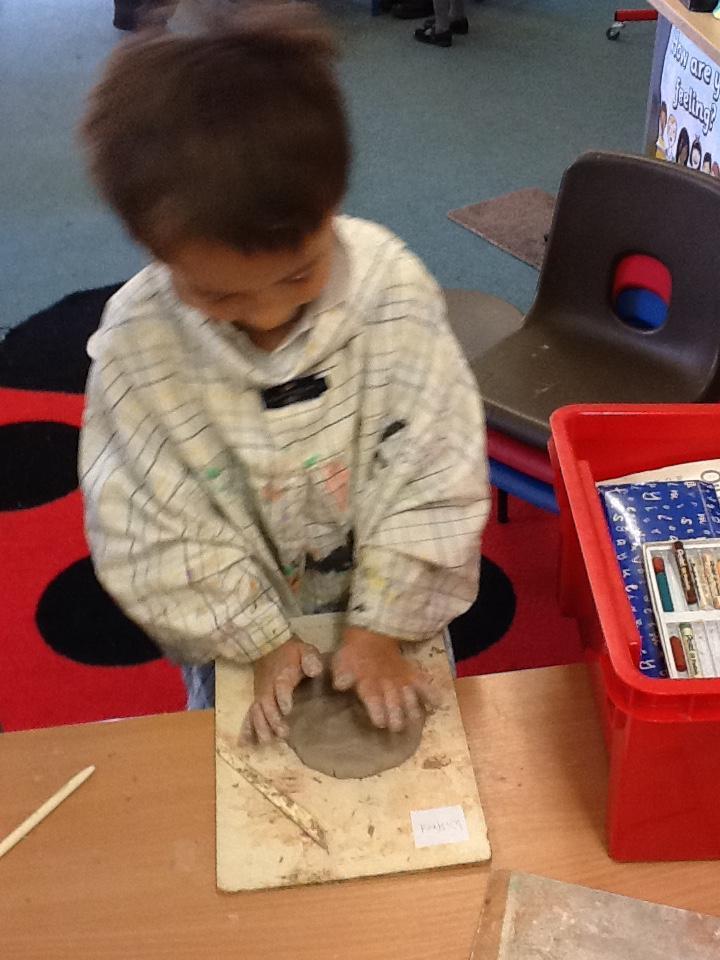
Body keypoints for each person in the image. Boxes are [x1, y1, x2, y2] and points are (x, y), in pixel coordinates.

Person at [79, 3, 490, 743]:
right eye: (219, 297)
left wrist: (382, 628)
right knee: (248, 783)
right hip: (238, 637)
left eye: (300, 275)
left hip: (398, 613)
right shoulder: (137, 350)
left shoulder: (391, 291)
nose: (268, 318)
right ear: (153, 251)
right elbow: (146, 529)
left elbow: (437, 466)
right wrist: (258, 640)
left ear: (332, 206)